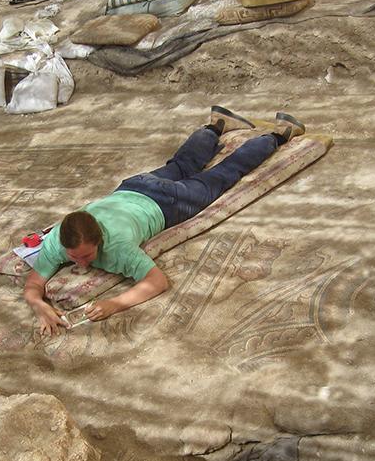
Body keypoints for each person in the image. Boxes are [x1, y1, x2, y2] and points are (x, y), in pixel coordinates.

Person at [24, 106, 306, 335]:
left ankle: (280, 135)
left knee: (222, 175)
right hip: (135, 185)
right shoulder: (59, 239)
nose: (82, 264)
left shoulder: (119, 247)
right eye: (74, 258)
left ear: (101, 240)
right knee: (179, 166)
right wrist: (39, 305)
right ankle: (216, 125)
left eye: (87, 256)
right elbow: (34, 284)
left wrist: (115, 304)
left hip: (167, 201)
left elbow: (157, 281)